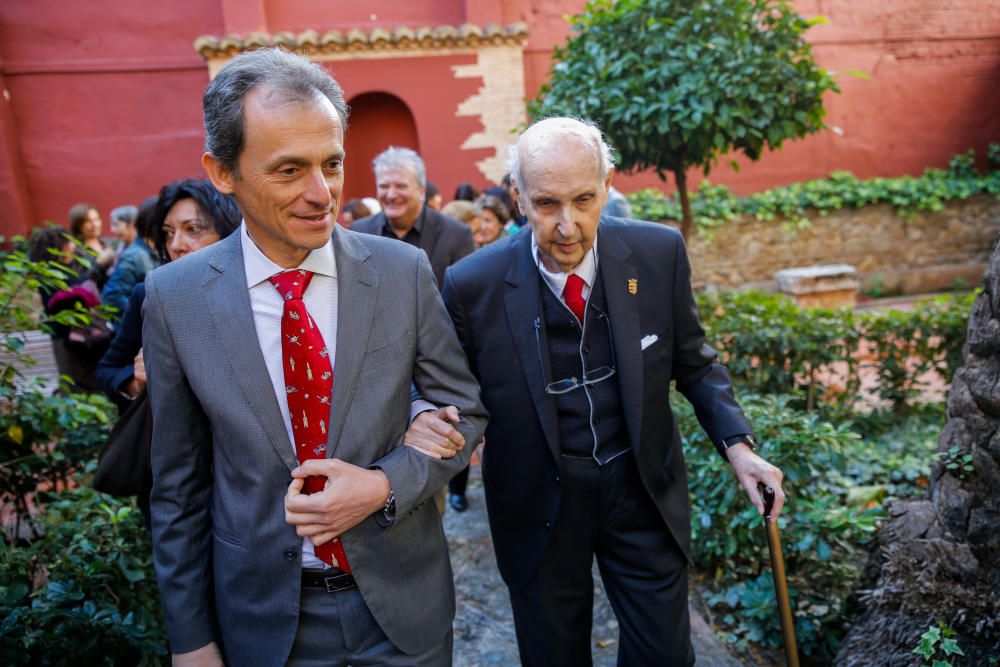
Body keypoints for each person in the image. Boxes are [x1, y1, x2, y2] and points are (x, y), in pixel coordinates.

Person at [143, 48, 486, 666]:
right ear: (223, 172)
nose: (321, 193)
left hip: (404, 614)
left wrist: (384, 483)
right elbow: (178, 489)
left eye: (332, 164)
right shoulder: (174, 299)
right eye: (288, 170)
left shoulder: (401, 271)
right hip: (266, 624)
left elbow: (465, 409)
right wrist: (191, 641)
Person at [439, 117, 785, 666]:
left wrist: (739, 449)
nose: (568, 225)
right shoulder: (470, 284)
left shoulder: (657, 254)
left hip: (641, 490)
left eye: (584, 199)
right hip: (538, 503)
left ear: (607, 185)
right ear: (518, 197)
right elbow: (453, 401)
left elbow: (694, 363)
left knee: (666, 658)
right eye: (547, 204)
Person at [96, 180, 241, 526]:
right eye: (168, 233)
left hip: (245, 475)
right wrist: (134, 380)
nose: (177, 245)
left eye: (193, 230)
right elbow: (107, 369)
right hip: (175, 479)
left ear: (230, 230)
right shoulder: (148, 295)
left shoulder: (258, 296)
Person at [351, 146, 474, 289]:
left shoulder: (456, 235)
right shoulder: (358, 233)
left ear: (421, 192)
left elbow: (466, 296)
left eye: (401, 186)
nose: (391, 195)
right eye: (384, 186)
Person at [100, 200, 157, 318]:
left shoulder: (143, 250)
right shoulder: (134, 255)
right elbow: (112, 296)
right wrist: (143, 315)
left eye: (116, 224)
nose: (112, 229)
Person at [68, 203, 115, 288]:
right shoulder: (75, 251)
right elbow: (78, 283)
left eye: (97, 219)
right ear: (78, 225)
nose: (95, 225)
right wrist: (99, 265)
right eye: (88, 221)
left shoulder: (110, 242)